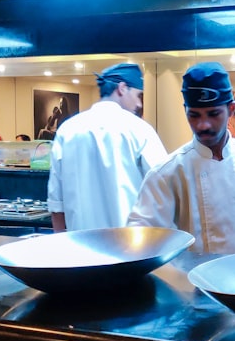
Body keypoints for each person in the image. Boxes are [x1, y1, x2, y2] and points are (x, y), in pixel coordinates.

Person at [128, 62, 235, 267]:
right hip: (197, 291)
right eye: (194, 115)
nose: (203, 125)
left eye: (213, 114)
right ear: (185, 110)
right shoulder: (167, 173)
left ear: (231, 109)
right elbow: (142, 245)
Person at [47, 63, 167, 232]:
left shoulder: (67, 130)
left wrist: (62, 248)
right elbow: (164, 187)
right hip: (131, 247)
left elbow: (56, 204)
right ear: (122, 88)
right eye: (138, 95)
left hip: (80, 248)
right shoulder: (138, 129)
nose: (139, 104)